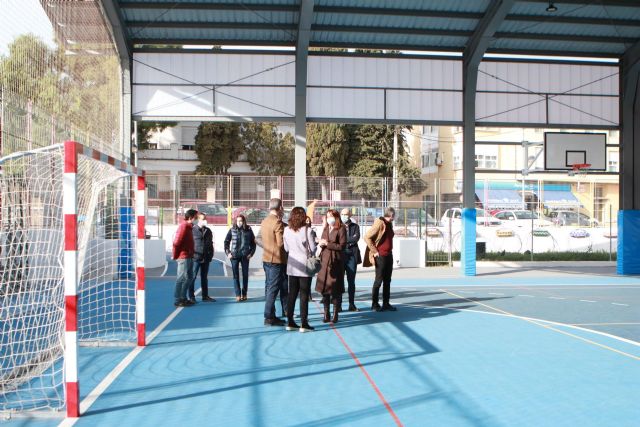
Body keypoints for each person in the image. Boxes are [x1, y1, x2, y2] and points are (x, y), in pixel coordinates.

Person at [283, 207, 317, 332]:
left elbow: (286, 248)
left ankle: (290, 321)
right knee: (304, 295)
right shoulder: (308, 230)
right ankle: (304, 323)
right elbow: (313, 249)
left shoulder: (286, 230)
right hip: (304, 265)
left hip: (292, 265)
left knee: (291, 294)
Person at [315, 209, 347, 324]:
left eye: (331, 216)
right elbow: (322, 242)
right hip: (324, 261)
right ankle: (326, 313)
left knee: (335, 289)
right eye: (327, 216)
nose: (329, 219)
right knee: (325, 289)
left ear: (336, 217)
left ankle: (335, 314)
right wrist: (320, 243)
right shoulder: (326, 228)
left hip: (335, 262)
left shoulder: (341, 229)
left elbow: (342, 246)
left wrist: (327, 244)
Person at [260, 198, 288, 326]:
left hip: (266, 258)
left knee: (269, 287)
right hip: (276, 259)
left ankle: (271, 314)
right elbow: (280, 243)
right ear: (280, 208)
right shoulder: (277, 222)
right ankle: (268, 316)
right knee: (273, 289)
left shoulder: (264, 221)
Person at [364, 207, 397, 312]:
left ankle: (386, 303)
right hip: (380, 256)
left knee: (387, 281)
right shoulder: (379, 223)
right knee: (378, 281)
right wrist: (375, 251)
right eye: (393, 215)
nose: (394, 217)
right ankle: (374, 304)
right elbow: (367, 237)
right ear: (390, 215)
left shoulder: (389, 224)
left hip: (389, 255)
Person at [224, 214, 256, 302]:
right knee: (235, 276)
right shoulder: (232, 230)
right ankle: (238, 294)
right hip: (234, 256)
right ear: (235, 221)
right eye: (238, 221)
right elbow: (226, 242)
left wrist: (251, 253)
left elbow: (253, 243)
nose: (239, 222)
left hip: (245, 256)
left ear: (244, 221)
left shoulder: (249, 230)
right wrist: (228, 253)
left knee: (245, 275)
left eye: (241, 221)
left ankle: (244, 294)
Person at [172, 209, 197, 307]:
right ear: (190, 218)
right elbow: (176, 242)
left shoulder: (189, 227)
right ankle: (178, 299)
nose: (197, 219)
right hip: (184, 257)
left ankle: (183, 297)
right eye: (195, 217)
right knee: (181, 278)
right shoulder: (183, 227)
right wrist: (175, 255)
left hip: (189, 256)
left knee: (189, 277)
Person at [190, 212, 216, 303]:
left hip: (206, 257)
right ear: (198, 220)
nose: (205, 220)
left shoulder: (208, 231)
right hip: (195, 258)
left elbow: (211, 244)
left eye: (205, 219)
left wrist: (211, 254)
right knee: (192, 277)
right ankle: (191, 297)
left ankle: (205, 296)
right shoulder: (192, 230)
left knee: (204, 277)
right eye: (202, 219)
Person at [340, 208, 362, 312]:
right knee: (339, 281)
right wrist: (348, 241)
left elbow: (356, 238)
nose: (344, 216)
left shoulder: (355, 226)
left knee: (351, 281)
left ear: (350, 215)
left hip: (352, 255)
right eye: (342, 214)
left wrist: (344, 241)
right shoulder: (338, 226)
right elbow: (338, 239)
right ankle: (338, 305)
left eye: (346, 214)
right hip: (340, 255)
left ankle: (351, 304)